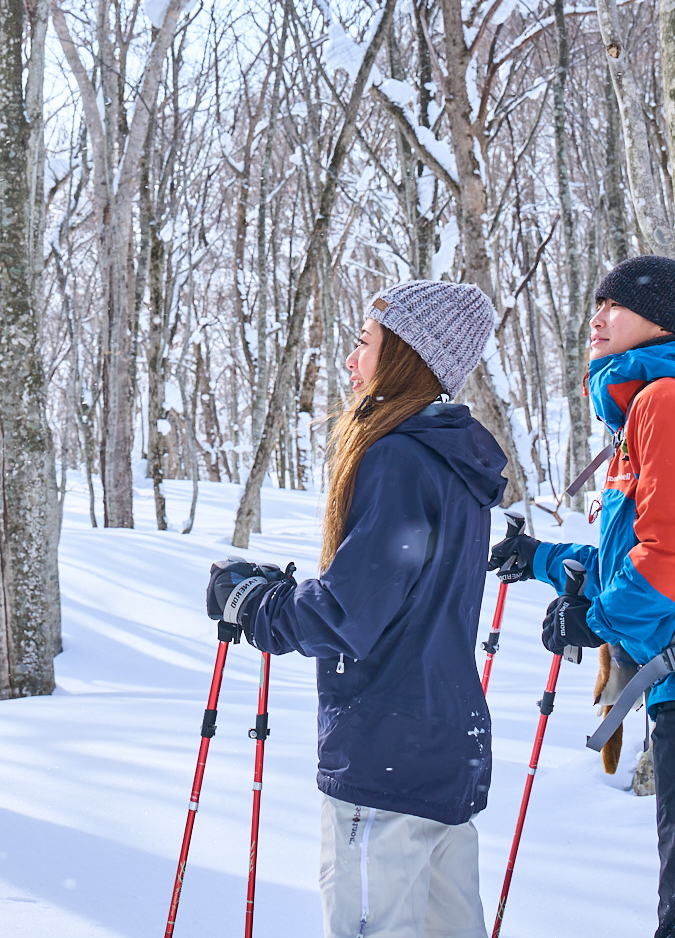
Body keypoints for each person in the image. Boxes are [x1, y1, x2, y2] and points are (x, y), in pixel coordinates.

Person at [487, 254, 675, 938]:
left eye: (614, 306)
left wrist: (593, 619)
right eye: (596, 304)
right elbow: (648, 556)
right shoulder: (656, 409)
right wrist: (537, 559)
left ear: (661, 322)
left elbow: (670, 560)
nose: (595, 317)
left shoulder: (668, 403)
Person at [205, 279, 507, 938]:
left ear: (406, 354)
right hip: (446, 747)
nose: (351, 360)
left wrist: (258, 606)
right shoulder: (456, 465)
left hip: (387, 760)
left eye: (364, 343)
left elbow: (349, 611)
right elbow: (390, 594)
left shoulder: (401, 459)